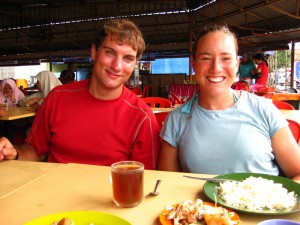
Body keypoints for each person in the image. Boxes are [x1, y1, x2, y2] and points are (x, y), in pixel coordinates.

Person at [0, 18, 160, 170]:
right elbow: (35, 151)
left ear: (134, 64)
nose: (117, 66)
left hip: (110, 198)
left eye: (128, 58)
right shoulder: (57, 98)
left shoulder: (142, 118)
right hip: (54, 195)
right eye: (110, 52)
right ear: (94, 52)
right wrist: (14, 154)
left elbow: (144, 179)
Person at [157, 23, 300, 180]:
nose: (216, 68)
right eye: (205, 58)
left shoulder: (263, 109)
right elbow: (167, 183)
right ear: (193, 63)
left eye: (226, 58)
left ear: (236, 64)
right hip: (201, 204)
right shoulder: (177, 118)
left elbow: (297, 173)